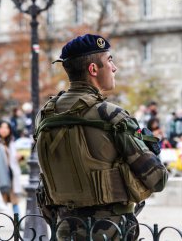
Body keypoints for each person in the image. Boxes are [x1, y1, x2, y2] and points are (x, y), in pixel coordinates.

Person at [35, 34, 168, 240]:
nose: (114, 68)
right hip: (110, 230)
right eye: (109, 60)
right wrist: (151, 150)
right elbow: (157, 179)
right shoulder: (110, 115)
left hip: (65, 228)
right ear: (93, 69)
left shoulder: (45, 114)